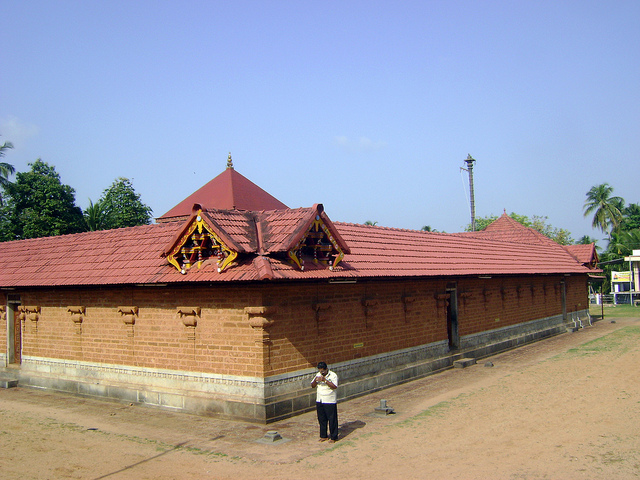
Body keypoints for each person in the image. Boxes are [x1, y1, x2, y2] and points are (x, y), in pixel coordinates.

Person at [310, 361, 339, 442]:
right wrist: (315, 380)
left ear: (326, 369)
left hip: (329, 400)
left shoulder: (333, 375)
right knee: (321, 418)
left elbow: (334, 386)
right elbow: (312, 386)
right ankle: (323, 436)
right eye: (320, 371)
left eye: (323, 371)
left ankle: (334, 437)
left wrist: (325, 380)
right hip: (320, 399)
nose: (321, 372)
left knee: (332, 419)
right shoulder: (318, 375)